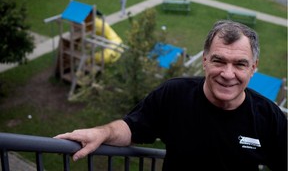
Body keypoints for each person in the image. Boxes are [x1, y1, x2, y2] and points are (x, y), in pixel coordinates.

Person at [54, 20, 287, 171]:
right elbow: (132, 127)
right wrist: (101, 132)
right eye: (219, 61)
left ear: (253, 68)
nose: (228, 74)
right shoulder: (174, 94)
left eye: (240, 64)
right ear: (205, 60)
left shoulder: (270, 117)